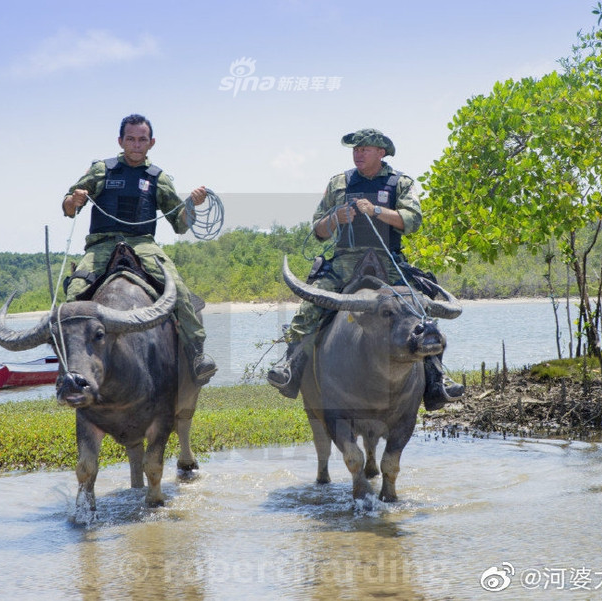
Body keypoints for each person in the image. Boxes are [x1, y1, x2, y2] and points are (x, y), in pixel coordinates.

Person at [266, 128, 463, 410]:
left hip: (389, 260)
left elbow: (413, 221)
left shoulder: (401, 183)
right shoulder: (338, 183)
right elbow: (318, 230)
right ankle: (289, 367)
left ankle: (437, 378)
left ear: (380, 153)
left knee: (421, 309)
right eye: (355, 150)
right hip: (346, 261)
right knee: (311, 305)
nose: (358, 154)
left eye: (365, 150)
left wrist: (376, 211)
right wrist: (335, 217)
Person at [62, 113, 217, 385]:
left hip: (143, 243)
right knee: (74, 292)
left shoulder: (159, 178)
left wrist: (192, 205)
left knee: (178, 289)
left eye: (142, 139)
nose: (136, 144)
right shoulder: (100, 170)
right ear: (120, 141)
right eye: (130, 139)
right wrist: (74, 199)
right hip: (102, 244)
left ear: (151, 142)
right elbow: (68, 208)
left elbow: (180, 225)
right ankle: (70, 363)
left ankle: (197, 353)